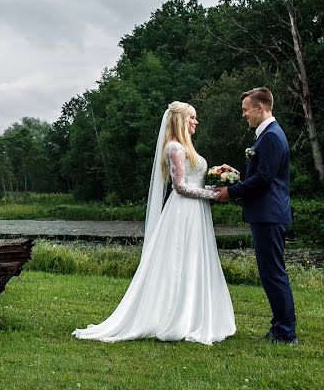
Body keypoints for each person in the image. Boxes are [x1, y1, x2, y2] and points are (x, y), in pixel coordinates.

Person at [73, 101, 236, 345]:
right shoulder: (174, 147)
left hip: (196, 211)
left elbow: (193, 180)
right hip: (184, 212)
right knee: (180, 259)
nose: (196, 122)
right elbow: (180, 187)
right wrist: (215, 194)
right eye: (192, 118)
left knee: (193, 260)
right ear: (181, 121)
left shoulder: (185, 147)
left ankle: (192, 314)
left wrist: (216, 177)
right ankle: (175, 317)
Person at [216, 87, 298, 345]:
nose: (244, 115)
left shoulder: (272, 136)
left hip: (269, 214)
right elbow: (262, 174)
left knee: (274, 273)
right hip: (266, 213)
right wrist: (238, 175)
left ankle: (286, 332)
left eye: (245, 110)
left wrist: (229, 191)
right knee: (270, 273)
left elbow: (264, 180)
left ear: (260, 107)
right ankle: (279, 326)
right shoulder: (267, 136)